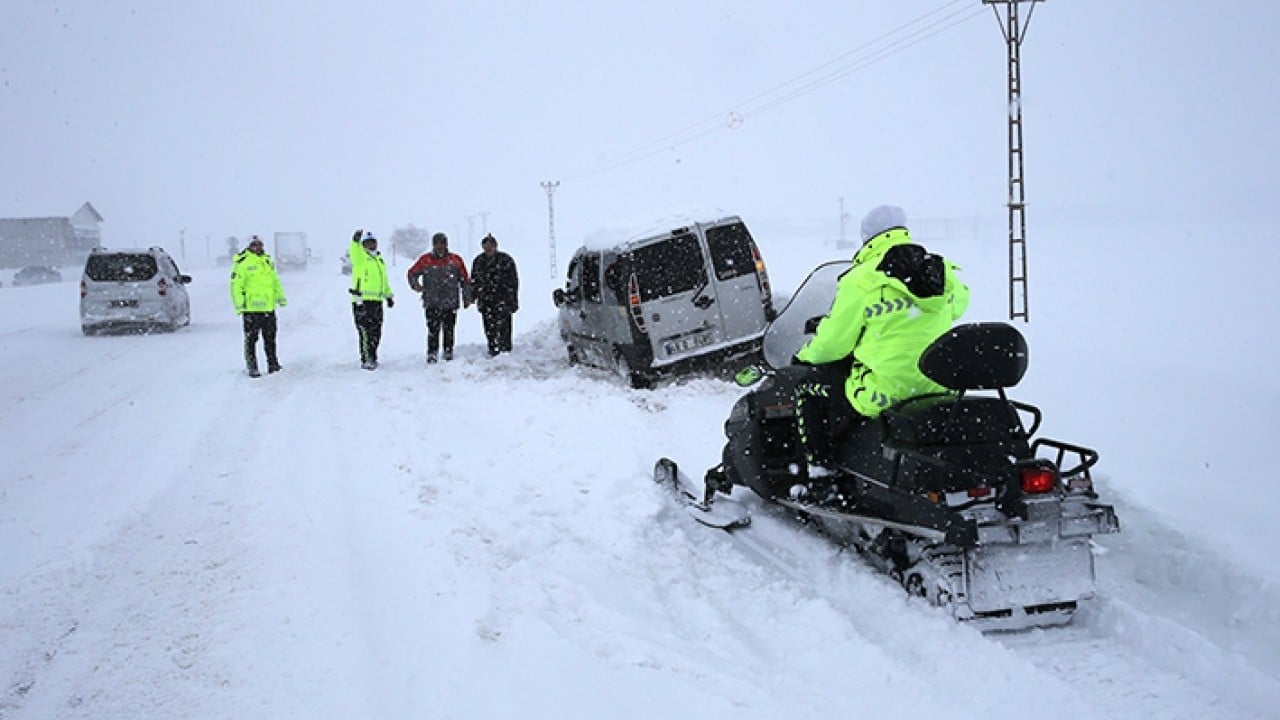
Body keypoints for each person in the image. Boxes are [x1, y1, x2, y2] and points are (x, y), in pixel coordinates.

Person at [792, 204, 970, 467]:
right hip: (938, 384)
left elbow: (834, 344)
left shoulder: (860, 279)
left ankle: (821, 475)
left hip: (884, 392)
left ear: (867, 238)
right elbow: (958, 307)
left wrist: (804, 356)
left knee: (807, 390)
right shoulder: (940, 271)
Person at [406, 232, 472, 363]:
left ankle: (448, 352)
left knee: (449, 329)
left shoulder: (456, 260)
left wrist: (466, 297)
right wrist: (415, 285)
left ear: (446, 244)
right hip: (431, 302)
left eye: (442, 243)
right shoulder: (425, 260)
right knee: (433, 330)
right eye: (437, 243)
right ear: (433, 245)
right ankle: (432, 354)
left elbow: (465, 279)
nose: (440, 246)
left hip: (450, 302)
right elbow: (412, 273)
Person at [229, 235, 286, 377]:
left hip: (268, 308)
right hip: (251, 310)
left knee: (270, 338)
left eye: (259, 244)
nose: (257, 247)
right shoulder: (243, 263)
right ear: (248, 246)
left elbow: (274, 281)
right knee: (251, 340)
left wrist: (280, 297)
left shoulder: (267, 261)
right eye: (254, 245)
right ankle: (252, 367)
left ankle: (273, 364)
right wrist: (239, 305)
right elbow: (236, 286)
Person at [348, 229, 394, 370]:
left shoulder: (379, 260)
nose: (371, 245)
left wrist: (388, 296)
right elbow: (354, 251)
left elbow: (383, 281)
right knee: (365, 331)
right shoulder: (361, 258)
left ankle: (373, 355)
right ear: (363, 245)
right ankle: (367, 359)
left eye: (373, 242)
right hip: (362, 301)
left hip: (377, 301)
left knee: (376, 331)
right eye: (367, 243)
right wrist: (355, 241)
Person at [470, 233, 520, 356]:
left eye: (491, 246)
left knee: (504, 325)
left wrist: (513, 299)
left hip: (503, 298)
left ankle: (506, 348)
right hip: (485, 299)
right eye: (486, 246)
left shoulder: (506, 260)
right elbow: (474, 280)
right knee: (489, 326)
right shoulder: (478, 261)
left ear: (496, 246)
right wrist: (473, 295)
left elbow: (513, 281)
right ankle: (492, 347)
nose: (488, 248)